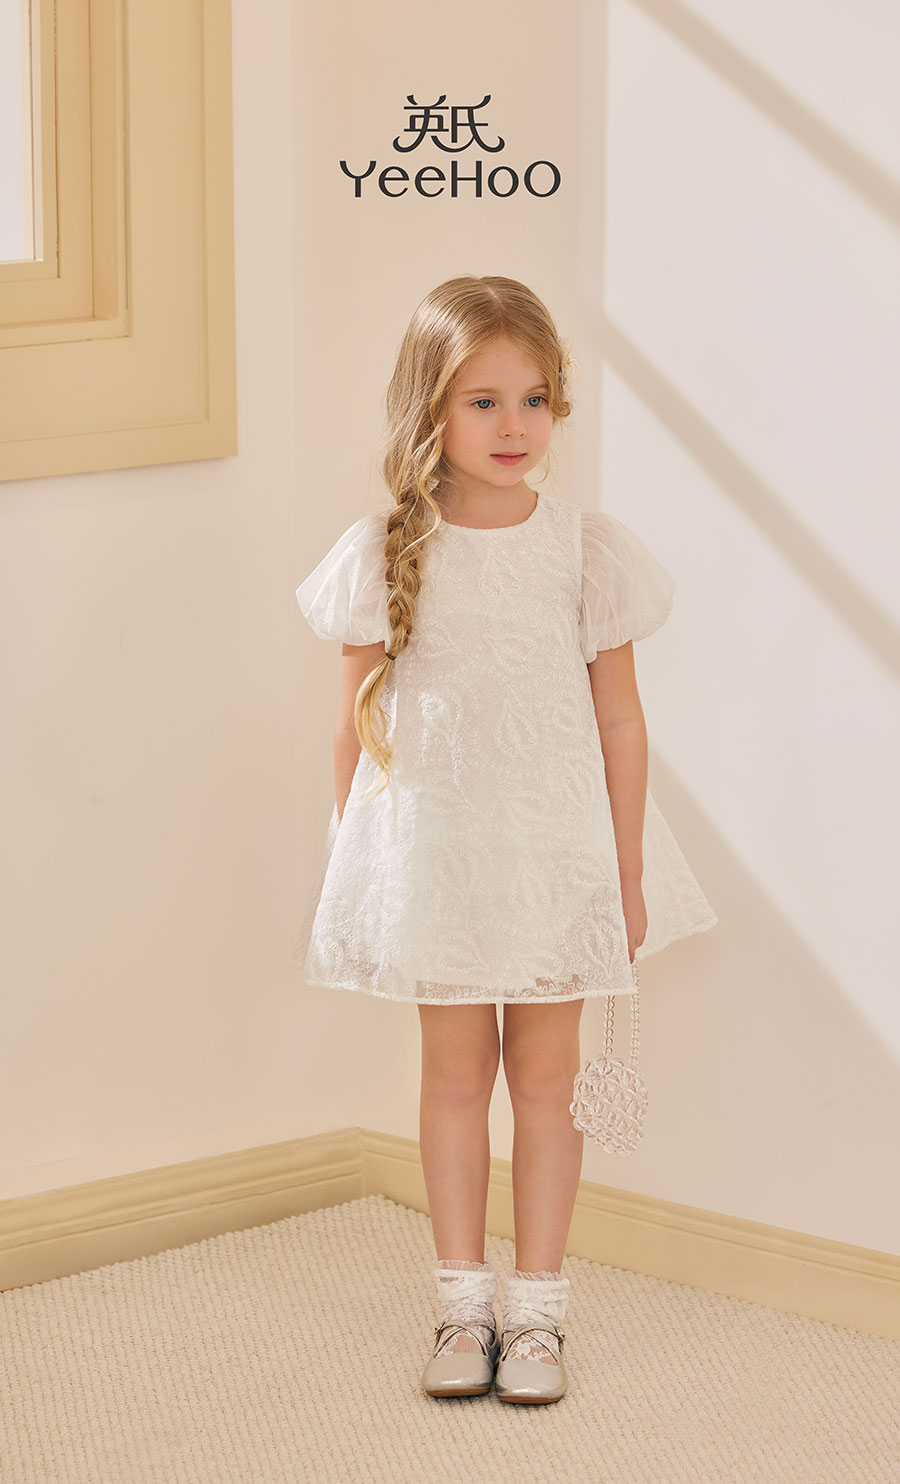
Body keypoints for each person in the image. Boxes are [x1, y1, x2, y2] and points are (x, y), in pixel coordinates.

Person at [291, 275, 718, 1405]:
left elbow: (620, 721)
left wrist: (625, 870)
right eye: (482, 402)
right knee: (453, 1074)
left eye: (534, 400)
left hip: (555, 855)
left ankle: (536, 1316)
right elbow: (353, 724)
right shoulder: (386, 549)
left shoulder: (585, 551)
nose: (514, 425)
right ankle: (461, 1304)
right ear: (428, 410)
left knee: (545, 1075)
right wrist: (353, 860)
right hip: (439, 858)